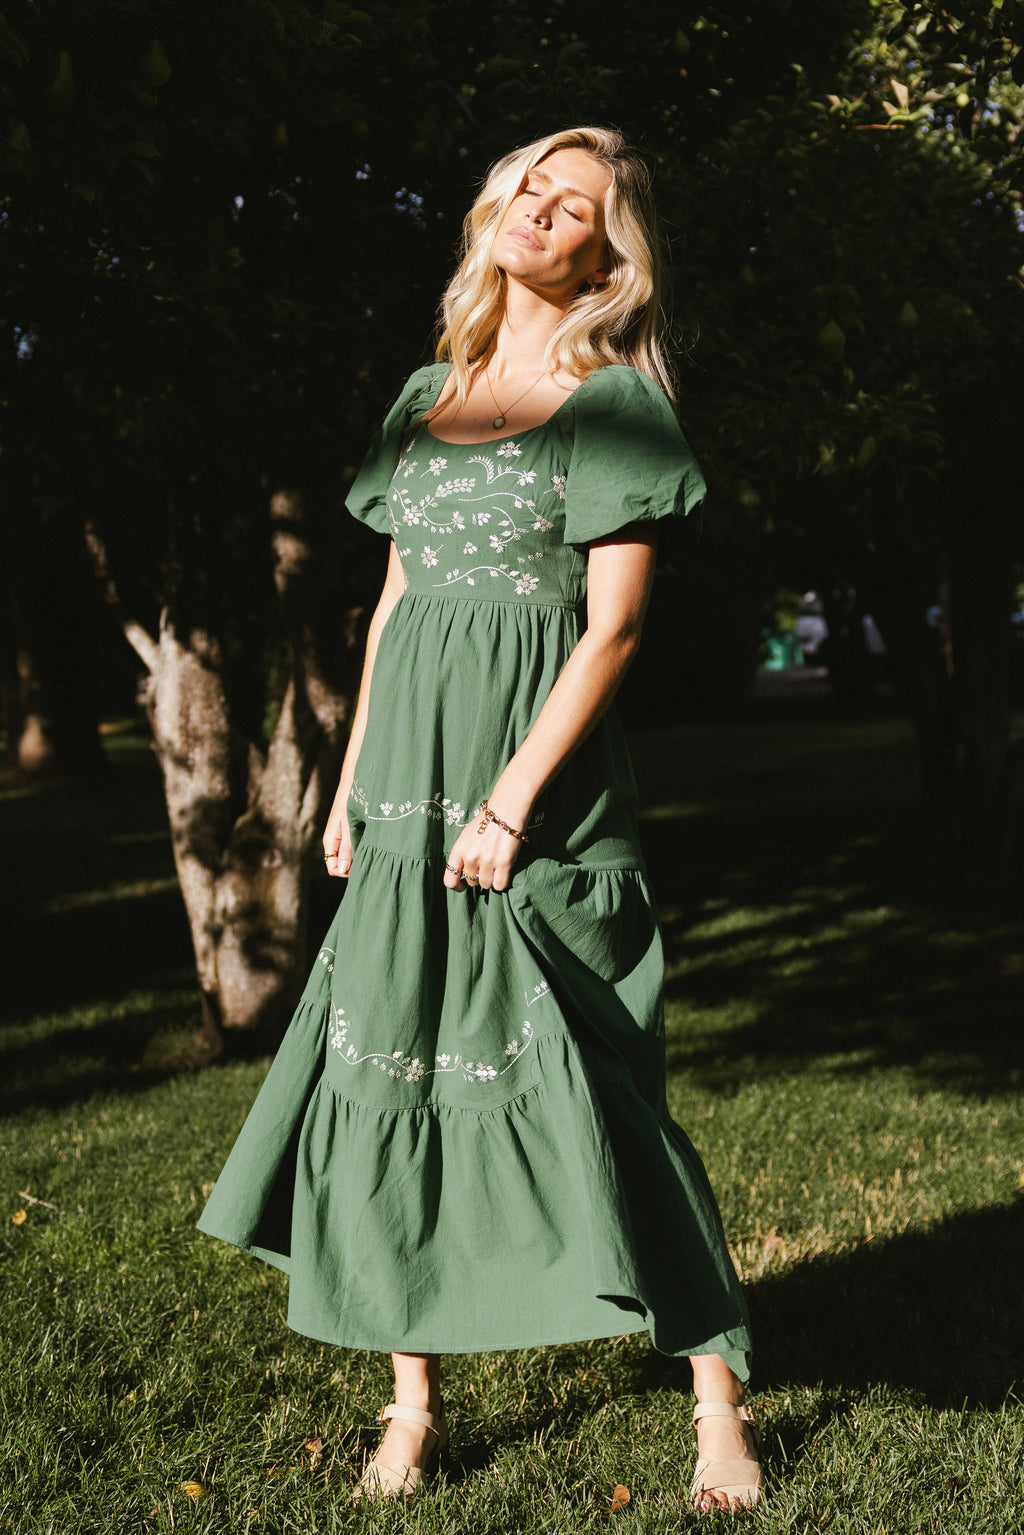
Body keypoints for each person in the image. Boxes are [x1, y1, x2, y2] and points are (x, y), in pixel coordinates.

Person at [197, 125, 760, 1514]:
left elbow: (613, 632)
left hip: (539, 793)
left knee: (604, 1087)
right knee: (389, 1072)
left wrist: (511, 800)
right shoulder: (425, 394)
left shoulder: (616, 404)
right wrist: (352, 782)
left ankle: (719, 1409)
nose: (541, 212)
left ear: (608, 257)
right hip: (406, 782)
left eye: (576, 206)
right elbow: (395, 600)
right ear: (494, 209)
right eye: (529, 188)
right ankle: (412, 1405)